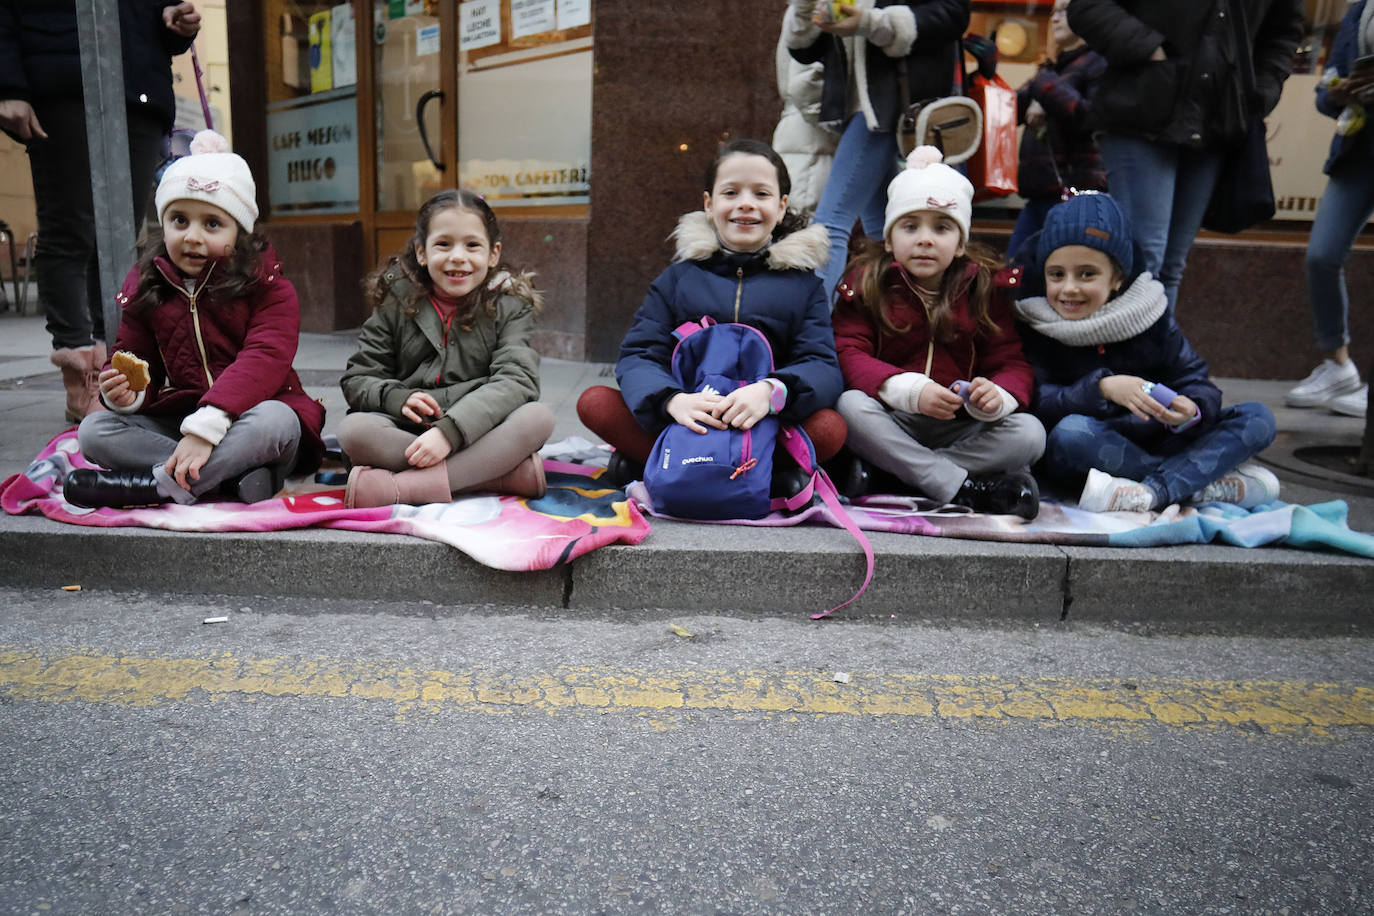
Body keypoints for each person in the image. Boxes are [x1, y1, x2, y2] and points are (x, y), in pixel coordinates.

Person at [63, 130, 326, 508]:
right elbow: (135, 357)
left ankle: (153, 487)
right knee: (94, 430)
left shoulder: (269, 286)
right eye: (179, 220)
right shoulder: (147, 285)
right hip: (185, 417)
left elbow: (264, 358)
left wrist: (208, 429)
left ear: (240, 231)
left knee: (276, 420)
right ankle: (229, 479)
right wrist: (126, 394)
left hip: (255, 417)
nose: (192, 236)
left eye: (212, 224)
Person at [577, 139, 847, 488]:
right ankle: (759, 478)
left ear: (781, 207)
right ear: (709, 204)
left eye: (761, 194)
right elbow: (639, 354)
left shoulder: (804, 287)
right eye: (731, 193)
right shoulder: (677, 279)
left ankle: (667, 465)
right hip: (688, 421)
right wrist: (672, 400)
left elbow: (822, 365)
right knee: (595, 402)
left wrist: (771, 392)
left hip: (761, 426)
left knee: (830, 429)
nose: (745, 203)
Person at [0, 1, 202, 423]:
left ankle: (121, 365)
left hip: (138, 85)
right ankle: (82, 373)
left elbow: (160, 14)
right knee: (71, 231)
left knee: (122, 237)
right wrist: (8, 84)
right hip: (62, 80)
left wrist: (177, 24)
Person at [1014, 192, 1278, 513]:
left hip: (1163, 438)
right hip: (1098, 446)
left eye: (1087, 274)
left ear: (1117, 278)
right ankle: (1194, 484)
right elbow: (1035, 401)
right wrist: (1101, 388)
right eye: (1057, 274)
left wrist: (1192, 408)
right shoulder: (1034, 324)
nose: (1069, 287)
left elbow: (1194, 377)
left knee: (1258, 417)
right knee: (1070, 434)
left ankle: (1153, 491)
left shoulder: (1148, 314)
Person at [831, 146, 1046, 519]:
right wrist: (910, 390)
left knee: (1030, 433)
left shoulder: (983, 289)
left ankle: (896, 475)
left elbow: (1011, 361)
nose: (925, 239)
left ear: (960, 243)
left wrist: (995, 395)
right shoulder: (867, 284)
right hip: (893, 419)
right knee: (848, 407)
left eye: (941, 228)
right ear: (889, 239)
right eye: (910, 227)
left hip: (958, 426)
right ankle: (961, 485)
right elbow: (848, 353)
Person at [1067, 0, 1304, 314]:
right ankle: (1129, 346)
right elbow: (1087, 6)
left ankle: (1154, 346)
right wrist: (1148, 48)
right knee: (1145, 258)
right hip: (1141, 109)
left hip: (1215, 121)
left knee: (1170, 266)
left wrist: (1259, 93)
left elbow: (1283, 33)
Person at [338, 189, 554, 509]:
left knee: (537, 418)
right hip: (409, 429)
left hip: (477, 427)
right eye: (443, 244)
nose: (457, 257)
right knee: (354, 431)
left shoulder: (509, 303)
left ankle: (401, 489)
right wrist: (396, 397)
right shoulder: (396, 298)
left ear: (493, 254)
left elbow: (517, 380)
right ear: (421, 252)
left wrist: (450, 433)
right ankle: (497, 476)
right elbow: (359, 378)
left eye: (472, 245)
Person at [784, 0, 970, 301]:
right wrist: (806, 9)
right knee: (881, 230)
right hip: (861, 106)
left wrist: (870, 23)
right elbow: (804, 50)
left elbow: (952, 14)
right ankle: (901, 314)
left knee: (832, 223)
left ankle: (817, 323)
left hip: (891, 105)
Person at [1284, 0, 1374, 418]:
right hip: (1358, 150)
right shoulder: (1359, 10)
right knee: (1322, 255)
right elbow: (1326, 91)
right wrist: (1337, 92)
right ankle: (1338, 365)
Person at [1005, 0, 1106, 260]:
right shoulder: (1051, 68)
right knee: (1014, 272)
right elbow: (1007, 112)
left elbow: (1089, 118)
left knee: (1067, 269)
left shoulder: (1099, 63)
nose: (1055, 18)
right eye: (1053, 12)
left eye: (1063, 11)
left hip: (1077, 198)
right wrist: (988, 72)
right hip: (1039, 195)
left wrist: (1044, 89)